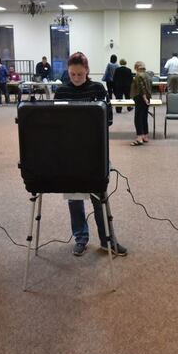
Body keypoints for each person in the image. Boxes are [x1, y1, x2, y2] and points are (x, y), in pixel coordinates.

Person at [54, 52, 127, 257]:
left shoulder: (97, 88)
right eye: (72, 74)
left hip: (94, 150)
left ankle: (107, 240)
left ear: (87, 71)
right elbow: (54, 122)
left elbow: (109, 118)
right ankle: (81, 238)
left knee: (99, 197)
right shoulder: (61, 91)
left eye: (79, 74)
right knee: (74, 199)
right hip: (70, 153)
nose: (76, 79)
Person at [129, 61, 153, 146]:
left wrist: (144, 98)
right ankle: (145, 136)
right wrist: (147, 99)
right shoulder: (148, 75)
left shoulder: (139, 75)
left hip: (140, 98)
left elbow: (141, 87)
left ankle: (139, 138)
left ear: (136, 67)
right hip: (148, 98)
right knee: (144, 117)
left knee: (138, 118)